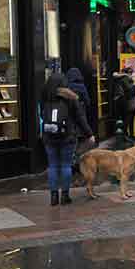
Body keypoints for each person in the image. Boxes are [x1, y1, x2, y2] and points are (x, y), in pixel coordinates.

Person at [42, 73, 94, 206]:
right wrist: (89, 134)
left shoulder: (45, 97)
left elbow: (41, 114)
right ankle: (65, 196)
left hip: (49, 136)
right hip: (68, 137)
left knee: (52, 166)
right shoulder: (71, 97)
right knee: (65, 165)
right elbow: (80, 118)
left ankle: (54, 197)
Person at [113, 67, 135, 138]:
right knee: (128, 120)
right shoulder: (125, 79)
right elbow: (130, 91)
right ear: (127, 73)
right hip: (129, 103)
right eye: (130, 73)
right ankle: (127, 135)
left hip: (128, 103)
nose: (131, 74)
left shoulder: (122, 79)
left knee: (128, 120)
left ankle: (129, 135)